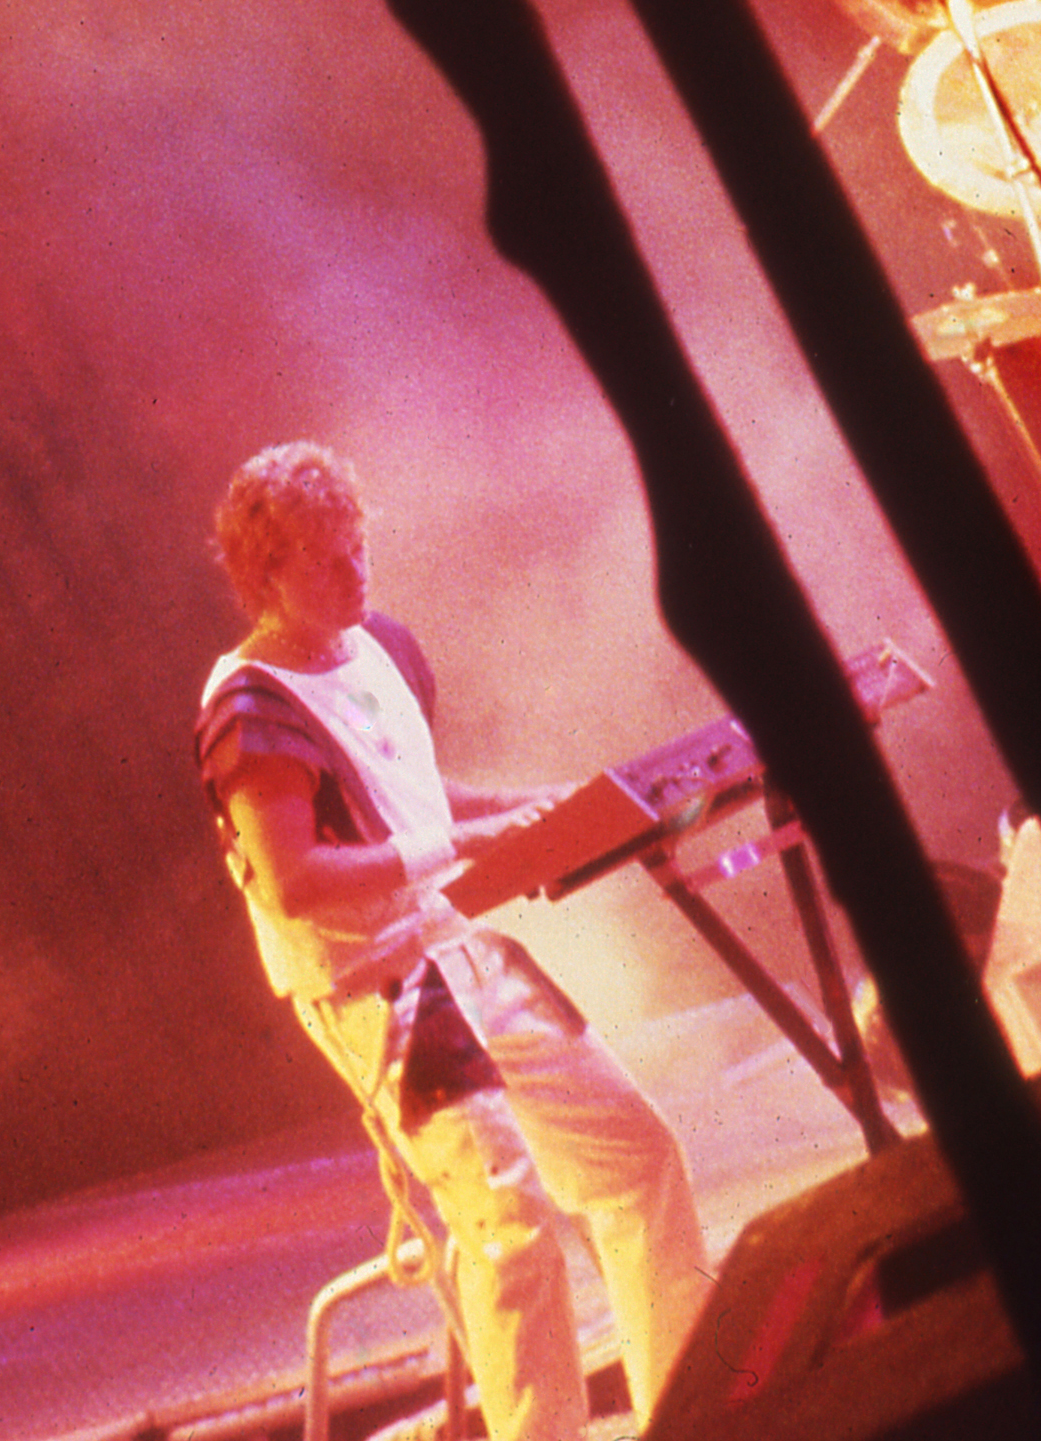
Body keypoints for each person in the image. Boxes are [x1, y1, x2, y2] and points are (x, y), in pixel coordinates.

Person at [194, 441, 712, 1438]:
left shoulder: (378, 641)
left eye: (360, 547)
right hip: (383, 990)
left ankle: (695, 1414)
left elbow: (420, 804)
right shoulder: (250, 707)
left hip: (458, 948)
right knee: (513, 1232)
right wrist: (462, 838)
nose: (357, 573)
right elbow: (297, 878)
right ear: (265, 577)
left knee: (635, 1155)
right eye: (329, 561)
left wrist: (534, 808)